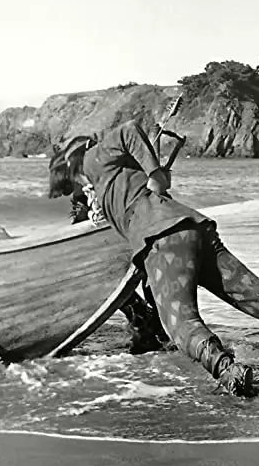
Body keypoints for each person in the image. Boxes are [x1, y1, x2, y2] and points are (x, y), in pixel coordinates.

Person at [50, 122, 259, 397]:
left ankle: (230, 373)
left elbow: (128, 131)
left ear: (74, 167)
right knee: (257, 296)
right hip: (194, 230)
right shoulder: (116, 179)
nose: (78, 188)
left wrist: (154, 174)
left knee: (181, 326)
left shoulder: (93, 159)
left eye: (72, 182)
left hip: (164, 243)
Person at [48, 152, 170, 355]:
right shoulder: (88, 181)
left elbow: (87, 215)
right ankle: (150, 322)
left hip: (107, 237)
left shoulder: (83, 184)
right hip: (121, 231)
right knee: (130, 283)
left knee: (115, 283)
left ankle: (146, 322)